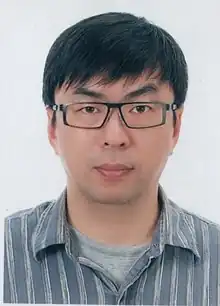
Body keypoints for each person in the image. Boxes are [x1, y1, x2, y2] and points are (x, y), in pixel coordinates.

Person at [3, 12, 220, 305]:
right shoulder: (7, 252)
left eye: (140, 108)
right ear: (53, 127)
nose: (115, 136)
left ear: (175, 127)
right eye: (90, 109)